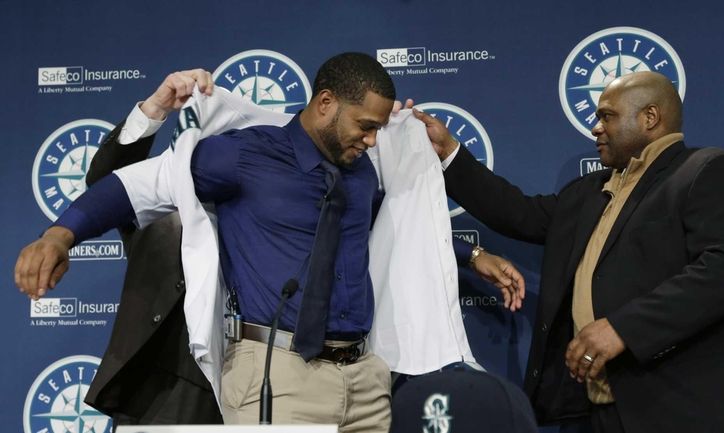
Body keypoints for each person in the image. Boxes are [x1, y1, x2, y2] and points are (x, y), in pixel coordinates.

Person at [16, 55, 524, 432]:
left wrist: (471, 255)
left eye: (376, 130)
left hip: (367, 381)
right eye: (364, 126)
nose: (371, 140)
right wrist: (61, 234)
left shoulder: (362, 171)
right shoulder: (242, 157)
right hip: (278, 375)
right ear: (326, 104)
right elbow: (137, 185)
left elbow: (393, 231)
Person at [413, 71, 724, 433]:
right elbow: (518, 214)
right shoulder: (588, 191)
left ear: (650, 118)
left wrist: (623, 328)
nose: (595, 129)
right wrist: (448, 152)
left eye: (607, 116)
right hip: (604, 409)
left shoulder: (707, 170)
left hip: (692, 406)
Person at [81, 70, 222, 428]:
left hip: (254, 387)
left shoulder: (265, 212)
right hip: (164, 391)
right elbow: (107, 182)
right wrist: (155, 107)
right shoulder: (155, 204)